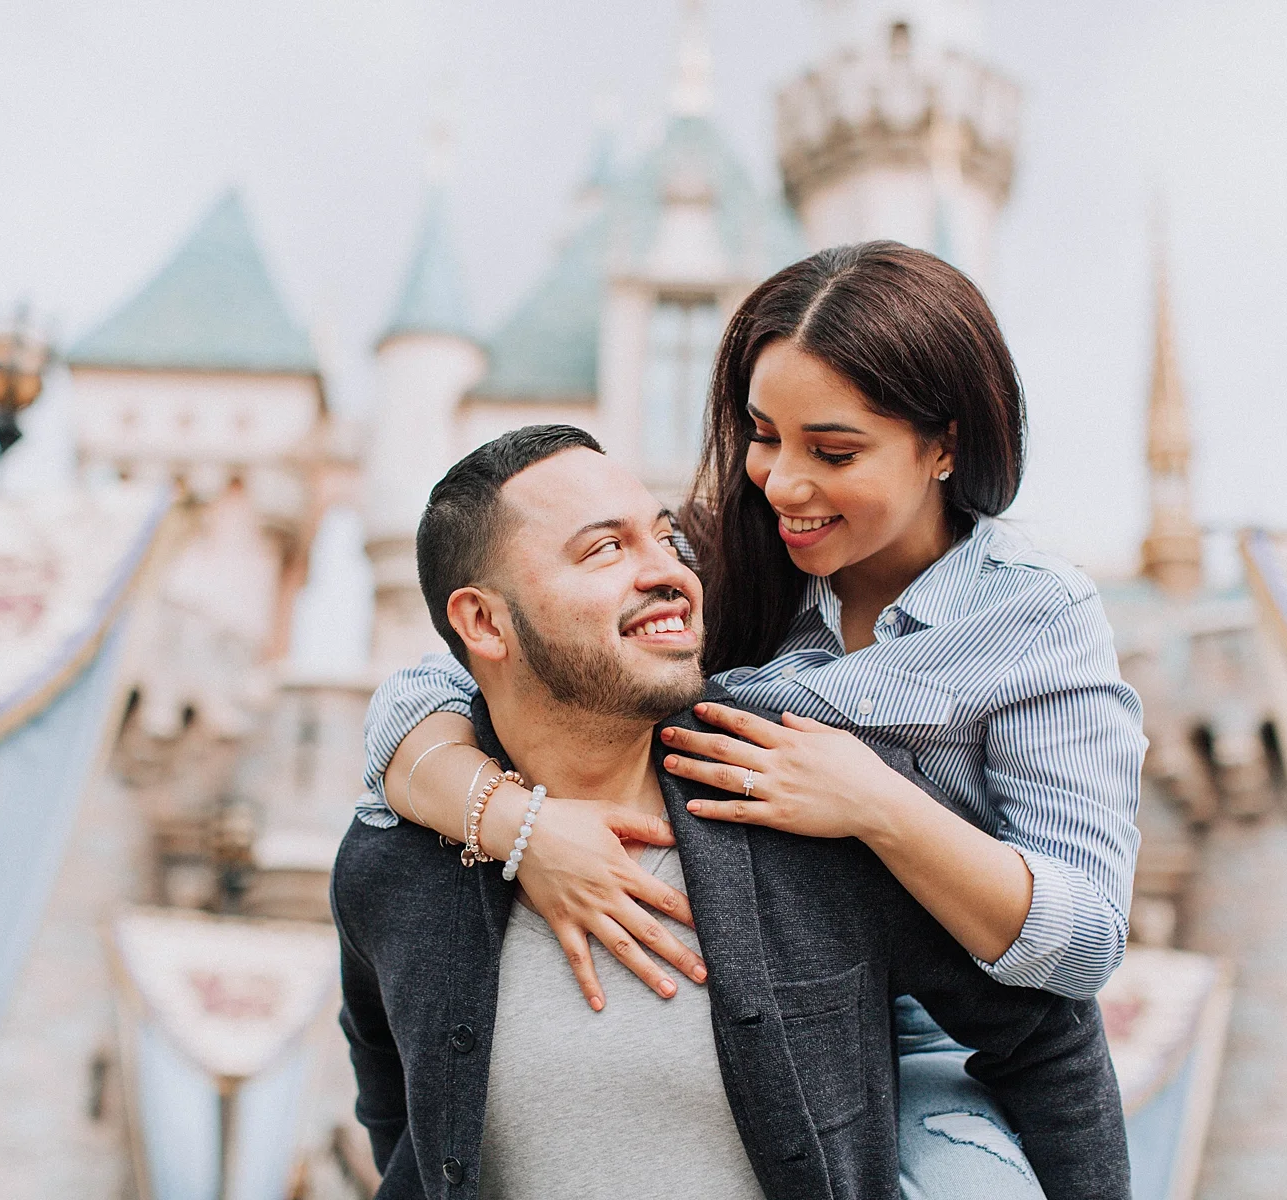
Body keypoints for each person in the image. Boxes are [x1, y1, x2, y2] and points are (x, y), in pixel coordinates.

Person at [357, 242, 1146, 1195]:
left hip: (946, 1039)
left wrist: (876, 805)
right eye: (764, 434)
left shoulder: (1034, 618)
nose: (784, 483)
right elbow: (439, 686)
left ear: (945, 445)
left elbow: (1083, 945)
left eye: (835, 451)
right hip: (760, 998)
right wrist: (524, 828)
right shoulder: (717, 552)